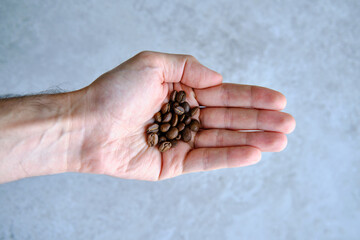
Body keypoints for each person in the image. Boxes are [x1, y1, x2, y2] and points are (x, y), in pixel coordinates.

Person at [0, 51, 295, 184]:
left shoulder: (174, 121)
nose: (175, 122)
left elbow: (175, 124)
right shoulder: (169, 122)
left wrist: (78, 125)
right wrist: (81, 124)